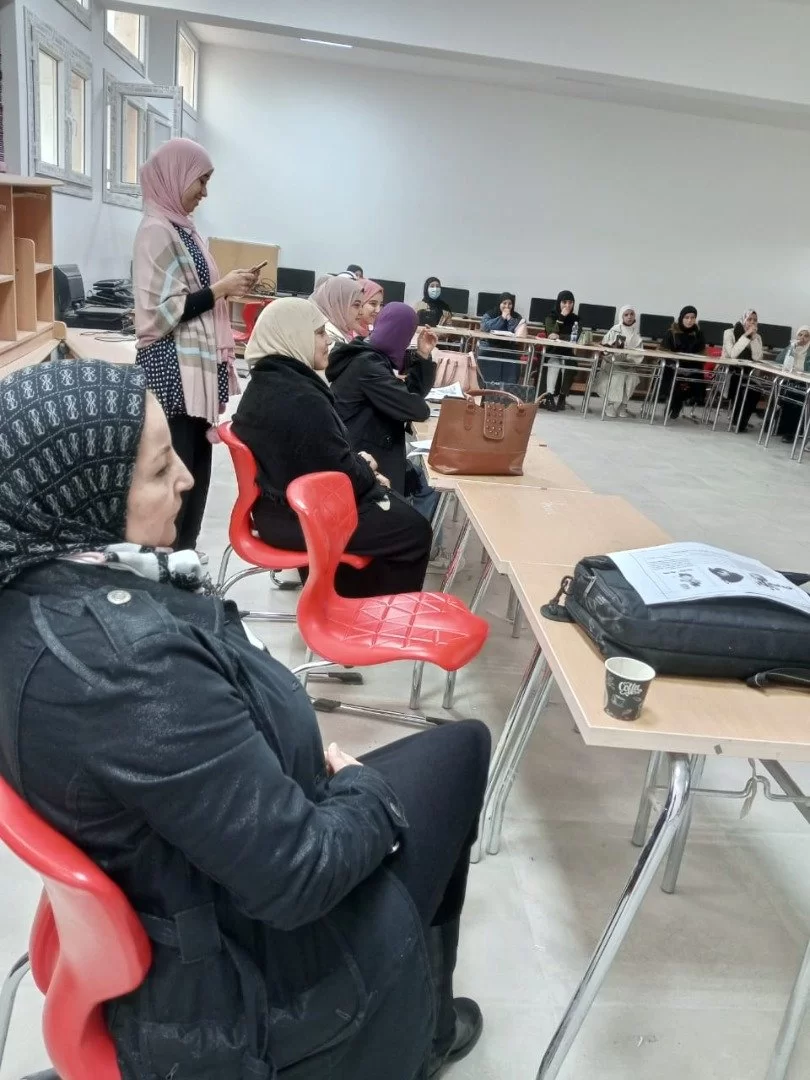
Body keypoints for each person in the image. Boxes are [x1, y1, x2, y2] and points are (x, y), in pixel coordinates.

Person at [0, 356, 489, 1080]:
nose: (186, 479)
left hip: (184, 876)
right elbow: (298, 876)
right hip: (238, 987)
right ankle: (418, 1035)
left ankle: (428, 1020)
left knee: (451, 754)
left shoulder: (36, 590)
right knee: (463, 752)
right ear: (82, 495)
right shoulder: (127, 668)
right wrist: (367, 795)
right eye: (159, 468)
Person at [232, 298, 433, 598]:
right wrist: (369, 472)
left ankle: (350, 599)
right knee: (413, 529)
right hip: (300, 518)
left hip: (281, 511)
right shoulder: (299, 396)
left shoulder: (273, 381)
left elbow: (321, 460)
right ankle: (369, 615)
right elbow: (339, 473)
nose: (327, 340)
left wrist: (361, 467)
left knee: (395, 510)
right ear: (293, 335)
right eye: (318, 333)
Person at [133, 137, 257, 552]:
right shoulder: (155, 231)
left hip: (192, 370)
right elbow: (160, 312)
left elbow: (193, 295)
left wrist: (225, 287)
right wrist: (221, 289)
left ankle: (184, 554)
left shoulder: (182, 229)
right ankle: (168, 560)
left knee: (195, 475)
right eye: (200, 181)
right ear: (176, 176)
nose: (204, 192)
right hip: (171, 371)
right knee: (176, 476)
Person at [327, 303, 438, 496]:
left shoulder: (369, 356)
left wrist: (423, 355)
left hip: (363, 447)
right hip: (362, 458)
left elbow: (408, 396)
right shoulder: (368, 365)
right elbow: (417, 409)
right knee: (428, 487)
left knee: (423, 481)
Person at [594, 305, 644, 417]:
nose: (629, 317)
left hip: (628, 364)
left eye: (631, 314)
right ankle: (611, 405)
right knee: (619, 375)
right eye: (626, 315)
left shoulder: (636, 333)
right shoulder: (615, 330)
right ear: (622, 316)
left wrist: (630, 360)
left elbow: (639, 352)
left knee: (632, 377)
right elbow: (604, 347)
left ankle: (623, 405)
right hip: (612, 363)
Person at [659, 306, 707, 421]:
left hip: (691, 366)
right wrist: (676, 362)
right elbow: (663, 352)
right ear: (681, 318)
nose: (690, 320)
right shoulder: (672, 332)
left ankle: (679, 402)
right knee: (672, 377)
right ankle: (673, 402)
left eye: (693, 317)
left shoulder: (698, 334)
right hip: (673, 366)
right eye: (687, 317)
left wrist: (692, 363)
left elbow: (702, 354)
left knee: (695, 376)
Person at [722, 310, 764, 432]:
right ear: (743, 319)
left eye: (755, 320)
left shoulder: (757, 337)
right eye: (749, 319)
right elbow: (733, 354)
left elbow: (757, 357)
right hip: (731, 372)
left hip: (749, 375)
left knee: (754, 390)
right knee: (741, 387)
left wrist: (753, 337)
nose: (752, 322)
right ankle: (737, 421)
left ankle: (740, 423)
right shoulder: (729, 333)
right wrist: (745, 336)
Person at [478, 292, 527, 385]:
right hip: (490, 346)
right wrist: (502, 318)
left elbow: (518, 330)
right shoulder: (490, 314)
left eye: (510, 304)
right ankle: (486, 386)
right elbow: (485, 327)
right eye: (504, 303)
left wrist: (509, 318)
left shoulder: (516, 316)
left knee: (514, 361)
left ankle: (508, 388)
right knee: (484, 355)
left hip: (509, 348)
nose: (507, 306)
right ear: (499, 303)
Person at [542, 291, 579, 411]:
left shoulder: (575, 319)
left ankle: (562, 397)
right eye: (564, 302)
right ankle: (549, 396)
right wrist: (561, 317)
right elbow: (551, 333)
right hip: (552, 351)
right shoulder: (551, 317)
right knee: (554, 364)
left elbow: (577, 336)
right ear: (559, 302)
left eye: (570, 302)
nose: (567, 305)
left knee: (569, 366)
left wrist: (560, 336)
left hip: (567, 352)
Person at [775, 325, 810, 443]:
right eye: (800, 335)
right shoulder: (792, 347)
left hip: (805, 383)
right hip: (790, 379)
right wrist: (791, 347)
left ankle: (791, 432)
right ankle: (780, 427)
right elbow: (778, 361)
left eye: (806, 336)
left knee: (794, 395)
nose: (802, 338)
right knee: (783, 392)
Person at [311, 275, 365, 350]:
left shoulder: (338, 333)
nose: (362, 312)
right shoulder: (329, 341)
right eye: (356, 305)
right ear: (337, 304)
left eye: (362, 306)